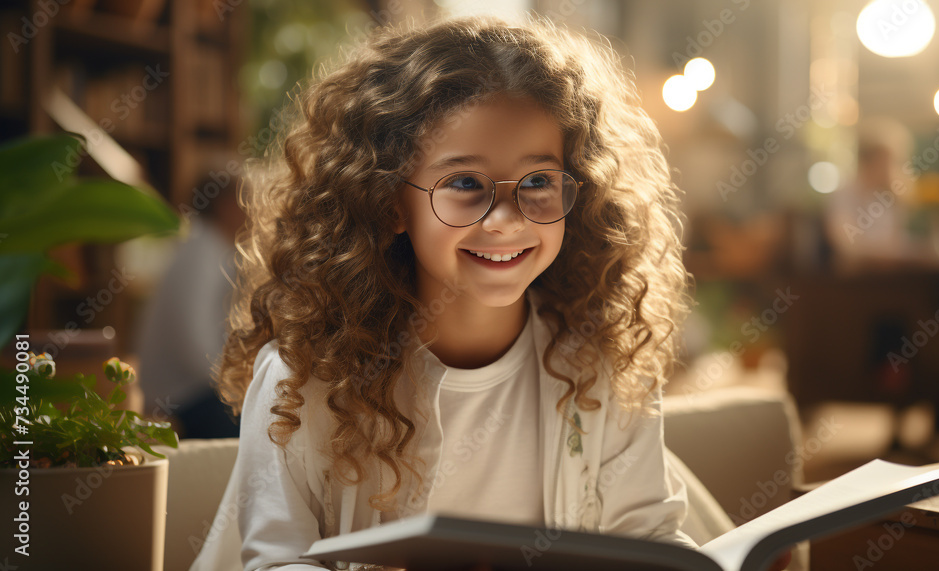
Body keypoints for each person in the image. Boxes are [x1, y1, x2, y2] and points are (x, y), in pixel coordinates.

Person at [192, 15, 789, 571]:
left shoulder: (597, 361)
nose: (506, 219)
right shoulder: (304, 378)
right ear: (389, 202)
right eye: (464, 183)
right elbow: (277, 560)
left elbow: (648, 535)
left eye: (537, 181)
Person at [136, 165, 245, 438]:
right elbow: (195, 347)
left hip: (189, 388)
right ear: (226, 205)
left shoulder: (209, 247)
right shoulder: (202, 253)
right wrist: (237, 383)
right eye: (247, 198)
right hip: (180, 396)